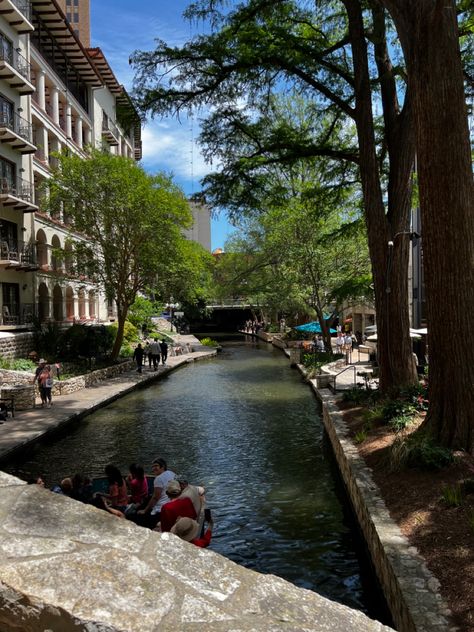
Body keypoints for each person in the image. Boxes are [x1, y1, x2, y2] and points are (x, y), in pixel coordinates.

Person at [134, 457, 176, 529]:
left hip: (160, 509)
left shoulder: (158, 479)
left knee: (137, 517)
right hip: (169, 503)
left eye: (156, 466)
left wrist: (145, 510)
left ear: (162, 466)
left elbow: (156, 497)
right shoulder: (171, 473)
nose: (153, 468)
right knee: (147, 499)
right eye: (152, 467)